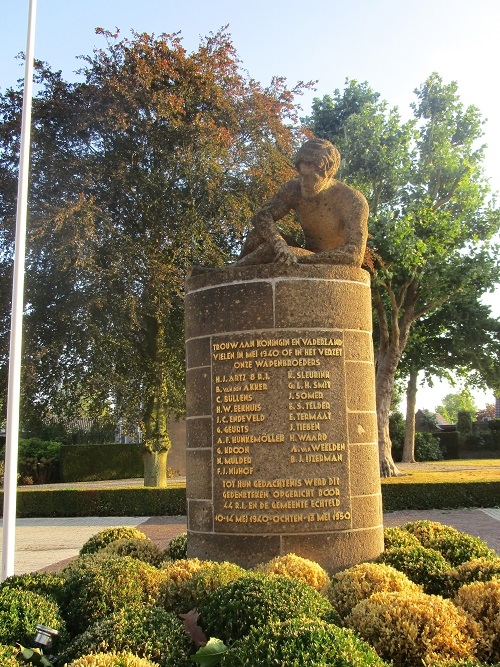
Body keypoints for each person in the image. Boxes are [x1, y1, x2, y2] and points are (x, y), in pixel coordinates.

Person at [236, 138, 369, 267]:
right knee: (256, 237)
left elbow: (354, 254)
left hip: (325, 261)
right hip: (302, 252)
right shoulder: (294, 189)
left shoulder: (351, 200)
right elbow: (261, 216)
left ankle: (234, 270)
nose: (303, 182)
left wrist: (300, 259)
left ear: (327, 173)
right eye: (301, 175)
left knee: (268, 251)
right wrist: (279, 244)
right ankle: (232, 275)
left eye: (311, 177)